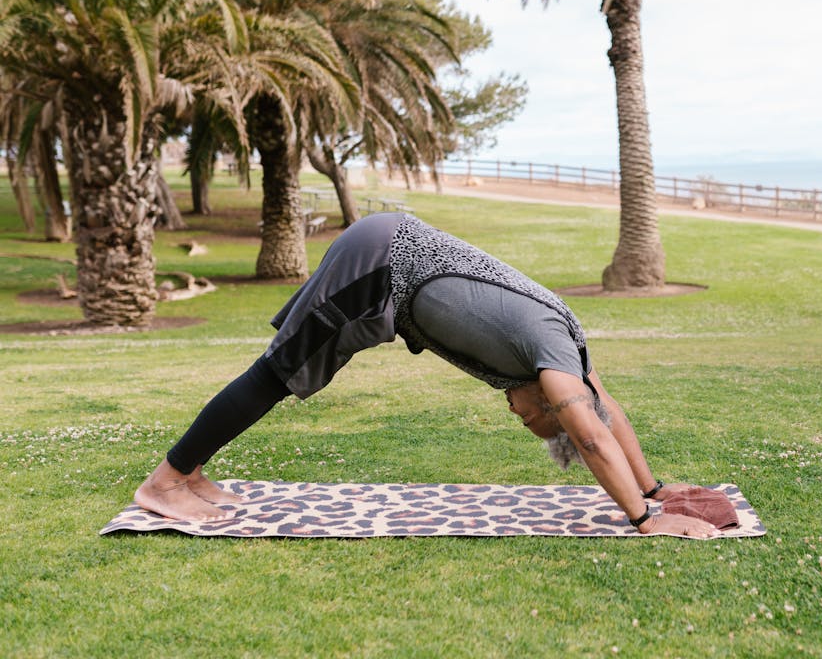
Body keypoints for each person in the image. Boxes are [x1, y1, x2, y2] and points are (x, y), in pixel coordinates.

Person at [135, 212, 721, 538]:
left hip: (389, 254)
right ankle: (166, 481)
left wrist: (653, 490)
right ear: (553, 401)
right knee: (275, 375)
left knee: (281, 372)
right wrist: (645, 521)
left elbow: (605, 411)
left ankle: (191, 474)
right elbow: (590, 433)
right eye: (533, 421)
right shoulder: (555, 365)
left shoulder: (571, 361)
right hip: (379, 262)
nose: (515, 413)